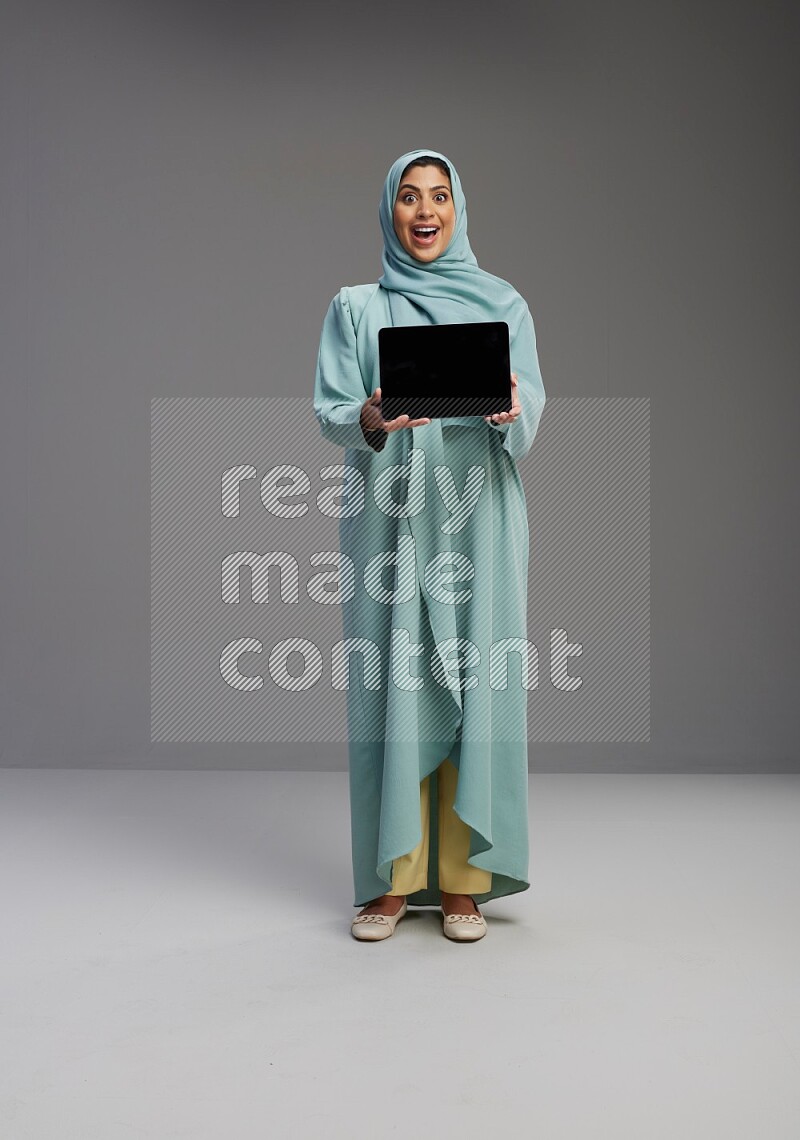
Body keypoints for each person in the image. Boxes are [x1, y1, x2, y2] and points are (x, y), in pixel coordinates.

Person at [313, 148, 546, 942]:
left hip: (479, 516)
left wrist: (515, 411)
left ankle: (461, 882)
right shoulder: (355, 307)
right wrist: (371, 418)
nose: (424, 211)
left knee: (476, 683)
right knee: (393, 685)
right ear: (389, 209)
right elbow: (333, 409)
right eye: (409, 196)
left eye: (439, 196)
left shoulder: (502, 302)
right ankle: (389, 878)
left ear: (458, 208)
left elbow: (533, 404)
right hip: (390, 514)